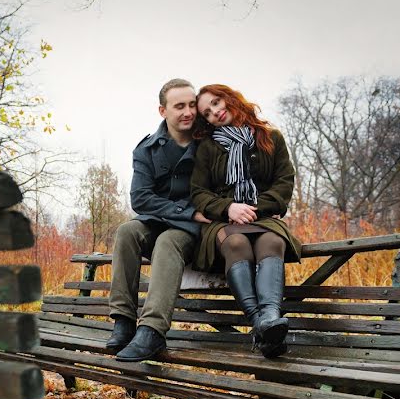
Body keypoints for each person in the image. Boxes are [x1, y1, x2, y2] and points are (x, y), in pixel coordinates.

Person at [189, 84, 301, 358]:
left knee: (272, 241)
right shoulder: (207, 147)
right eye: (208, 112)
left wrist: (252, 208)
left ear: (230, 98)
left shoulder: (271, 137)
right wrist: (228, 208)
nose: (215, 112)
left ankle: (270, 316)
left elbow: (284, 182)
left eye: (216, 102)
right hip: (223, 222)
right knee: (237, 243)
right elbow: (198, 192)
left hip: (263, 218)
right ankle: (261, 322)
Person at [106, 78, 202, 362]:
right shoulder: (147, 150)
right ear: (163, 111)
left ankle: (152, 331)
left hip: (196, 232)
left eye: (192, 105)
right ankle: (123, 321)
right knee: (127, 231)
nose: (188, 112)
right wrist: (184, 210)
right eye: (179, 106)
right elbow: (140, 199)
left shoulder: (208, 144)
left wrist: (191, 215)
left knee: (167, 240)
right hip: (170, 220)